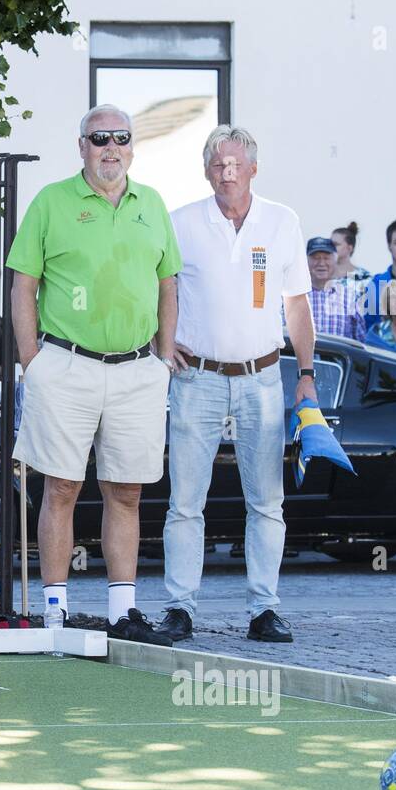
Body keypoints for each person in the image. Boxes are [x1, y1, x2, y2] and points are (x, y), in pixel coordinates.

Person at [7, 103, 179, 643]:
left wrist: (165, 356)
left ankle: (122, 612)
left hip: (136, 369)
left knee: (125, 491)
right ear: (81, 145)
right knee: (60, 486)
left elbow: (168, 284)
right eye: (99, 138)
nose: (111, 148)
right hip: (65, 365)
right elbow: (23, 286)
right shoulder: (51, 202)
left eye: (121, 139)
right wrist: (32, 361)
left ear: (132, 147)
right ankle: (55, 609)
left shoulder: (151, 204)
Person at [156, 125, 318, 646]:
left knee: (267, 501)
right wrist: (163, 341)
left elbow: (296, 304)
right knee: (185, 501)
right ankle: (180, 608)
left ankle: (264, 609)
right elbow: (163, 288)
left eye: (235, 164)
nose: (227, 172)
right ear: (206, 170)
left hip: (263, 376)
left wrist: (308, 376)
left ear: (253, 168)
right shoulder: (181, 223)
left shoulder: (282, 220)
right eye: (217, 164)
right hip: (196, 376)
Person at [306, 236, 366, 341]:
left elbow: (361, 343)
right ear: (306, 260)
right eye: (316, 258)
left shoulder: (350, 297)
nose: (321, 263)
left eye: (326, 258)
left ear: (335, 259)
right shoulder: (294, 296)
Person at [331, 222, 370, 287]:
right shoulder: (322, 275)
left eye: (336, 244)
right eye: (330, 244)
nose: (331, 247)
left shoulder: (364, 277)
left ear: (349, 248)